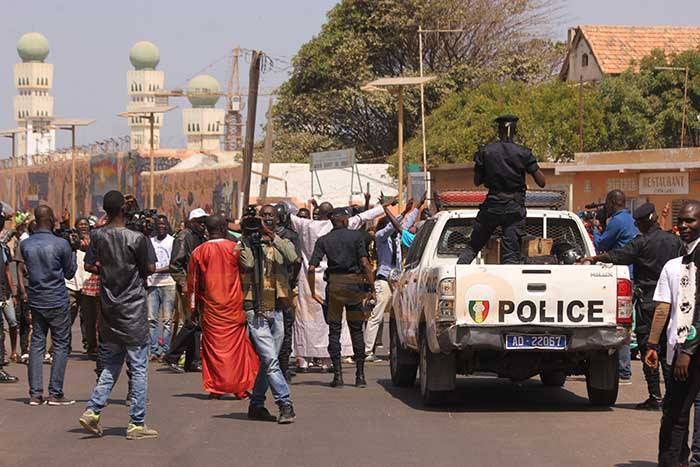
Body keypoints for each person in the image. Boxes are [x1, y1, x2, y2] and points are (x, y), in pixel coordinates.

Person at [584, 203, 683, 410]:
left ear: (642, 223)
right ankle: (672, 397)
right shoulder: (674, 241)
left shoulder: (641, 243)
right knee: (669, 350)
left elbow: (617, 256)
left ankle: (655, 396)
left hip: (649, 303)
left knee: (649, 348)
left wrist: (593, 258)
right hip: (673, 302)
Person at [79, 190, 158, 440]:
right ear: (123, 210)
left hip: (110, 308)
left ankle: (93, 410)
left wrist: (108, 268)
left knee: (111, 363)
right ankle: (136, 423)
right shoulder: (136, 238)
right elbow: (150, 268)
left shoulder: (98, 235)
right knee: (138, 367)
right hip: (133, 309)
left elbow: (89, 265)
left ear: (105, 210)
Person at [290, 199, 384, 371]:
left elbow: (287, 216)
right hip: (343, 283)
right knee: (343, 326)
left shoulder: (306, 225)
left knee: (308, 322)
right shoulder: (349, 230)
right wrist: (383, 207)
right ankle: (332, 363)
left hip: (312, 282)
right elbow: (364, 217)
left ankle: (303, 360)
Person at [645, 200, 700, 466]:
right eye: (682, 221)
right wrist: (653, 345)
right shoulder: (681, 260)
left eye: (691, 220)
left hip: (689, 350)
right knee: (677, 413)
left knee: (675, 414)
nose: (684, 226)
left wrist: (687, 350)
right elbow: (662, 309)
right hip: (680, 348)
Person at [457, 115, 545, 266]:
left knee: (473, 246)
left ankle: (457, 276)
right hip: (514, 208)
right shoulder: (524, 153)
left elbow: (477, 181)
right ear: (515, 131)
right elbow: (541, 182)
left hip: (492, 205)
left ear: (499, 131)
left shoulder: (485, 152)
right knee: (511, 255)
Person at [188, 215, 258, 399]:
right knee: (237, 350)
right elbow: (248, 268)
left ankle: (215, 389)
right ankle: (239, 387)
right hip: (233, 306)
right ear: (223, 227)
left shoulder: (198, 252)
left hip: (211, 309)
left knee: (213, 350)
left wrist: (193, 309)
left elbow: (193, 285)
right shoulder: (234, 248)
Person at [239, 206, 297, 424]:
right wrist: (247, 240)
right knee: (271, 359)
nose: (265, 220)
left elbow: (293, 257)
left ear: (277, 219)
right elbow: (248, 264)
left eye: (269, 217)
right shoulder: (248, 242)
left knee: (267, 360)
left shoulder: (284, 240)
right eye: (262, 217)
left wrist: (272, 237)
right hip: (255, 307)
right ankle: (285, 403)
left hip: (278, 306)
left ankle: (256, 404)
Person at [308, 207, 376, 388]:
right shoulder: (356, 237)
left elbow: (311, 268)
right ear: (345, 220)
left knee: (334, 330)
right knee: (356, 330)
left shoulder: (324, 240)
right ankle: (360, 375)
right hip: (354, 288)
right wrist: (372, 289)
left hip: (334, 288)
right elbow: (365, 264)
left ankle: (337, 376)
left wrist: (313, 292)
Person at [20, 206, 77, 405]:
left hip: (37, 299)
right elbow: (70, 273)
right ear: (51, 219)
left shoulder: (26, 245)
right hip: (57, 299)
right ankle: (55, 393)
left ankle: (35, 394)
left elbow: (26, 270)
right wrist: (74, 252)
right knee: (60, 345)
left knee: (37, 344)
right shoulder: (61, 244)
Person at [363, 199, 422, 362]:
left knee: (398, 316)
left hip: (396, 280)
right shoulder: (382, 236)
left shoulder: (397, 237)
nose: (398, 225)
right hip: (383, 279)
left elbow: (404, 223)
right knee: (377, 315)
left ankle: (395, 349)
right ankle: (367, 350)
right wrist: (402, 212)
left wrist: (416, 208)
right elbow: (393, 226)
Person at [594, 190, 640, 383]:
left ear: (613, 202)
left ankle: (623, 369)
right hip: (631, 275)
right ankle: (624, 369)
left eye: (606, 203)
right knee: (626, 323)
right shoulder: (629, 219)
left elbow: (602, 244)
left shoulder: (617, 221)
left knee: (620, 324)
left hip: (621, 276)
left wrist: (596, 229)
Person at [164, 208, 208, 373]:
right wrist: (183, 283)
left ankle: (192, 360)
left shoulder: (200, 237)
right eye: (200, 221)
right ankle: (172, 355)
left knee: (196, 324)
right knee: (191, 323)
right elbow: (175, 264)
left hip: (197, 286)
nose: (203, 225)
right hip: (188, 286)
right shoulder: (185, 236)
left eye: (204, 221)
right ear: (192, 222)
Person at [274, 203, 302, 381]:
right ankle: (283, 368)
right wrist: (292, 281)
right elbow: (297, 260)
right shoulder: (291, 236)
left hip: (267, 287)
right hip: (284, 287)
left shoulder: (260, 235)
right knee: (285, 327)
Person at [147, 215, 177, 360]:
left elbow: (173, 265)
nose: (161, 226)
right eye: (158, 224)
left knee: (167, 320)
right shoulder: (150, 242)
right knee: (151, 319)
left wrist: (156, 270)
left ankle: (165, 350)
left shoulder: (172, 241)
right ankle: (153, 350)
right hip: (152, 284)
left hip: (168, 283)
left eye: (163, 224)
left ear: (167, 225)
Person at [65, 218, 92, 354]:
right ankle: (66, 345)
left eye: (85, 225)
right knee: (68, 316)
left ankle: (89, 344)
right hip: (71, 284)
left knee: (87, 318)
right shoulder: (70, 243)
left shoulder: (93, 243)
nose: (83, 227)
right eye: (80, 225)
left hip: (87, 284)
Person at [0, 207, 18, 383]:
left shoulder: (2, 248)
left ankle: (10, 352)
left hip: (3, 294)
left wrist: (12, 293)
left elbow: (7, 271)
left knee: (11, 323)